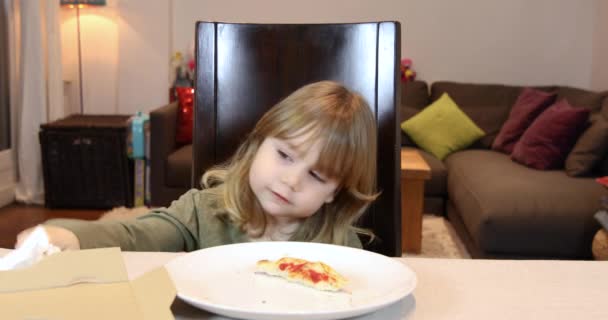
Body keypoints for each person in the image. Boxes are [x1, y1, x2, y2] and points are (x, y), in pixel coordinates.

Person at [16, 80, 379, 252]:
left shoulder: (341, 247)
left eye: (317, 175)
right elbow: (135, 235)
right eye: (285, 155)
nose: (291, 179)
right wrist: (68, 235)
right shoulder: (201, 210)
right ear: (256, 144)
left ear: (335, 192)